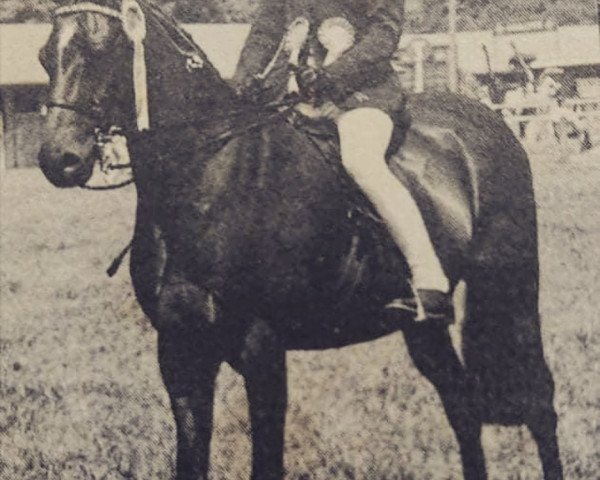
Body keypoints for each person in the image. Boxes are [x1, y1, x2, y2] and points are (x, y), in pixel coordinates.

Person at [233, 0, 452, 322]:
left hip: (359, 96)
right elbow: (264, 34)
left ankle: (429, 279)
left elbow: (382, 36)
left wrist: (330, 76)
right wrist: (245, 78)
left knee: (361, 161)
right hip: (292, 97)